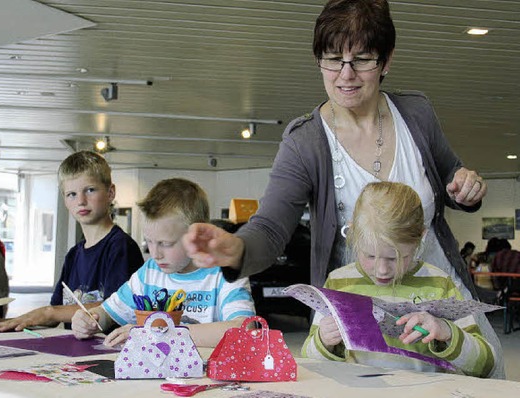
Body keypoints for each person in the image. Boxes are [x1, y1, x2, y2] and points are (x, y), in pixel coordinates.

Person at [182, 0, 503, 378]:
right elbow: (270, 229)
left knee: (472, 374)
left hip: (435, 293)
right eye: (333, 59)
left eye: (362, 59)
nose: (345, 74)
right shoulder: (305, 142)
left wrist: (467, 188)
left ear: (386, 61)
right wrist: (235, 247)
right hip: (358, 308)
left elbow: (452, 177)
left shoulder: (416, 113)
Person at [302, 182, 497, 377]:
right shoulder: (338, 284)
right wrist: (323, 340)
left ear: (421, 237)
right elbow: (309, 359)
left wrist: (447, 332)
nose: (382, 270)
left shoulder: (439, 283)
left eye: (395, 258)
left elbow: (485, 364)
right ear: (353, 234)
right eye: (370, 256)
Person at [70, 178, 256, 347]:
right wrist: (91, 320)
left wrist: (158, 333)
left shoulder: (225, 272)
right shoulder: (149, 273)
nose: (155, 254)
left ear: (197, 235)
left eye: (165, 244)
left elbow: (244, 329)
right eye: (149, 242)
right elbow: (108, 313)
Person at [0, 151, 144, 331]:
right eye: (71, 194)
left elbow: (117, 308)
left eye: (90, 190)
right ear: (65, 200)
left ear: (110, 193)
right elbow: (54, 316)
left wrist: (49, 312)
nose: (81, 201)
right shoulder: (73, 255)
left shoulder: (121, 247)